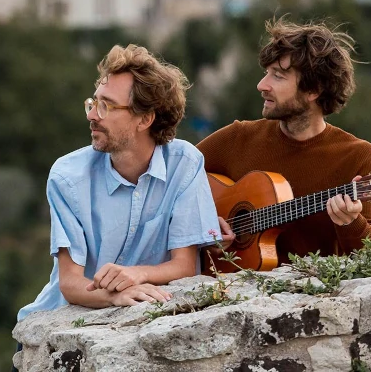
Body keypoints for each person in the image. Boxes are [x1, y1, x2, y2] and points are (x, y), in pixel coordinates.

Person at [17, 44, 224, 323]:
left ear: (145, 119)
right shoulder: (67, 176)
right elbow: (69, 283)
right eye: (93, 102)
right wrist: (112, 296)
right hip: (57, 323)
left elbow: (185, 266)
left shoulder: (185, 164)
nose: (91, 115)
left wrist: (136, 274)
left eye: (106, 106)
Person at [197, 18, 371, 270]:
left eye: (278, 76)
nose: (262, 85)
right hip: (229, 292)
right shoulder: (237, 137)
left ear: (313, 89)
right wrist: (204, 226)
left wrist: (351, 222)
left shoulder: (358, 156)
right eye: (267, 73)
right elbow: (172, 180)